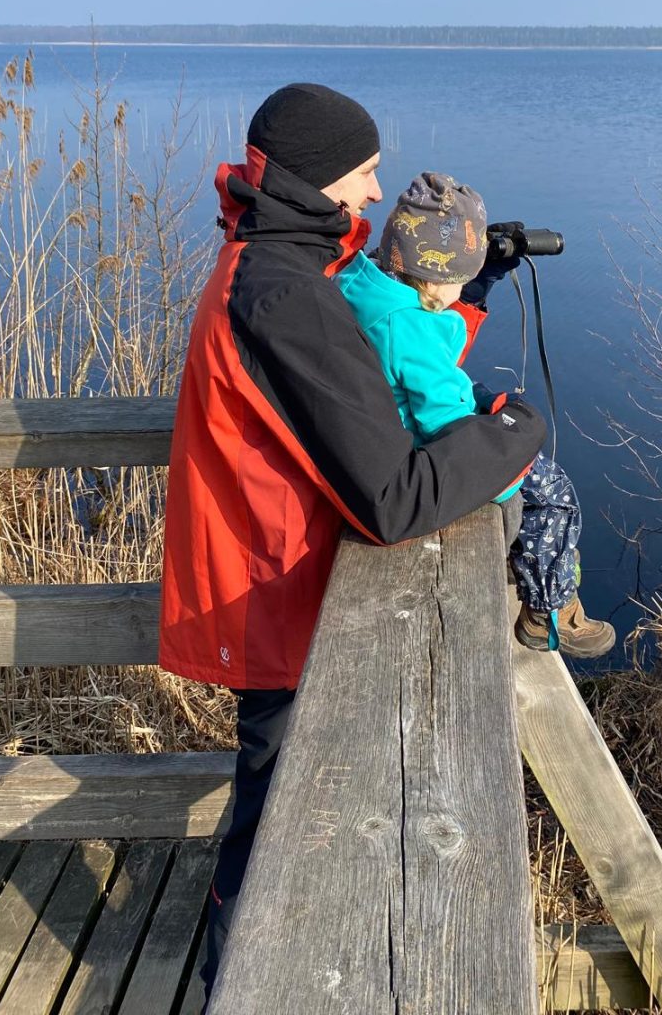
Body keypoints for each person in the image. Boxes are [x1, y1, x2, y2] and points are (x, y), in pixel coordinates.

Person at [158, 86, 546, 998]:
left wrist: (471, 288)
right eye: (364, 171)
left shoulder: (277, 259)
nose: (375, 190)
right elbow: (396, 498)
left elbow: (371, 360)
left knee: (280, 804)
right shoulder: (286, 293)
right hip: (275, 592)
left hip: (276, 576)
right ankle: (235, 987)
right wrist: (516, 431)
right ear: (317, 174)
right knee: (275, 820)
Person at [335, 169, 615, 658]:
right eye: (462, 279)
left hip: (387, 432)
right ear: (438, 278)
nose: (462, 290)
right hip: (419, 455)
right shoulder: (413, 328)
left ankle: (532, 575)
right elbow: (447, 426)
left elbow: (416, 371)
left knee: (500, 422)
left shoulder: (363, 282)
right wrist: (505, 469)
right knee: (553, 493)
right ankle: (549, 611)